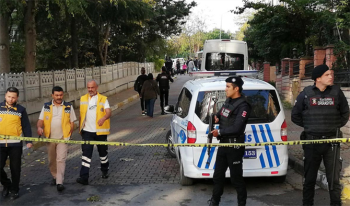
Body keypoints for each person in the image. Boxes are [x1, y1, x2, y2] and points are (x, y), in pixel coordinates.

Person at [291, 65, 349, 206]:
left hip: (332, 143)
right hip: (312, 143)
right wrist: (311, 126)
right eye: (327, 74)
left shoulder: (336, 92)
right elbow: (295, 116)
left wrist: (332, 127)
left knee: (334, 181)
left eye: (331, 74)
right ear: (318, 78)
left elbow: (345, 113)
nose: (331, 77)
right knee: (309, 179)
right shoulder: (306, 93)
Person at [208, 76, 251, 206]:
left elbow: (237, 128)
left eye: (228, 87)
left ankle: (241, 203)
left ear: (236, 88)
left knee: (236, 179)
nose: (225, 89)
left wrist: (219, 132)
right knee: (218, 176)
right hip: (224, 144)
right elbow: (221, 114)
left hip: (234, 146)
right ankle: (214, 202)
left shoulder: (243, 106)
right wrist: (216, 117)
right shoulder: (228, 101)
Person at [37, 86, 77, 192]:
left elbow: (72, 123)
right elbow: (40, 120)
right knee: (52, 160)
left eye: (60, 95)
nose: (59, 97)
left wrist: (69, 135)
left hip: (63, 138)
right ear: (52, 95)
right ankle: (55, 176)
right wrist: (39, 127)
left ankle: (60, 182)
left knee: (61, 159)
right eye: (57, 95)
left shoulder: (68, 106)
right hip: (50, 138)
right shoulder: (46, 106)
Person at [76, 80, 111, 185]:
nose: (90, 90)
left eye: (92, 87)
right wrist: (80, 128)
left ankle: (105, 170)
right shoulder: (83, 99)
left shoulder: (103, 99)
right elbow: (81, 114)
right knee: (86, 154)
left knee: (103, 154)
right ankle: (84, 177)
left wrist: (104, 118)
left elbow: (109, 111)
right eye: (88, 87)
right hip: (87, 132)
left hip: (100, 132)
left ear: (97, 87)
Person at [0, 87, 33, 200]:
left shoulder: (21, 110)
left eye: (13, 97)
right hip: (0, 144)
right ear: (5, 96)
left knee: (15, 168)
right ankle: (6, 184)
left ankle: (14, 190)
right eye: (9, 96)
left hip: (15, 144)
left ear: (17, 98)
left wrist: (29, 140)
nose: (11, 99)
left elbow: (26, 126)